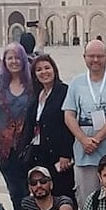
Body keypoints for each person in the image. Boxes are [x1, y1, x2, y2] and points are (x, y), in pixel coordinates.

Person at [63, 39, 106, 208]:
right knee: (87, 202)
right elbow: (69, 115)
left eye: (99, 56)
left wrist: (97, 139)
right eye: (91, 56)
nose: (95, 60)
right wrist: (83, 139)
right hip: (84, 155)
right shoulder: (76, 82)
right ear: (84, 57)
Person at [0, 43, 36, 210]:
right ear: (4, 61)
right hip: (4, 146)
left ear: (24, 60)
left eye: (18, 58)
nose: (14, 61)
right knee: (13, 189)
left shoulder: (32, 83)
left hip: (27, 146)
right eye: (10, 58)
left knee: (26, 189)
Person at [27, 55, 75, 200]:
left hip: (59, 155)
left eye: (47, 68)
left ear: (54, 70)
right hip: (41, 153)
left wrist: (66, 153)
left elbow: (69, 123)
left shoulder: (64, 91)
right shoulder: (38, 94)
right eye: (39, 70)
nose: (44, 72)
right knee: (46, 196)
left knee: (63, 195)